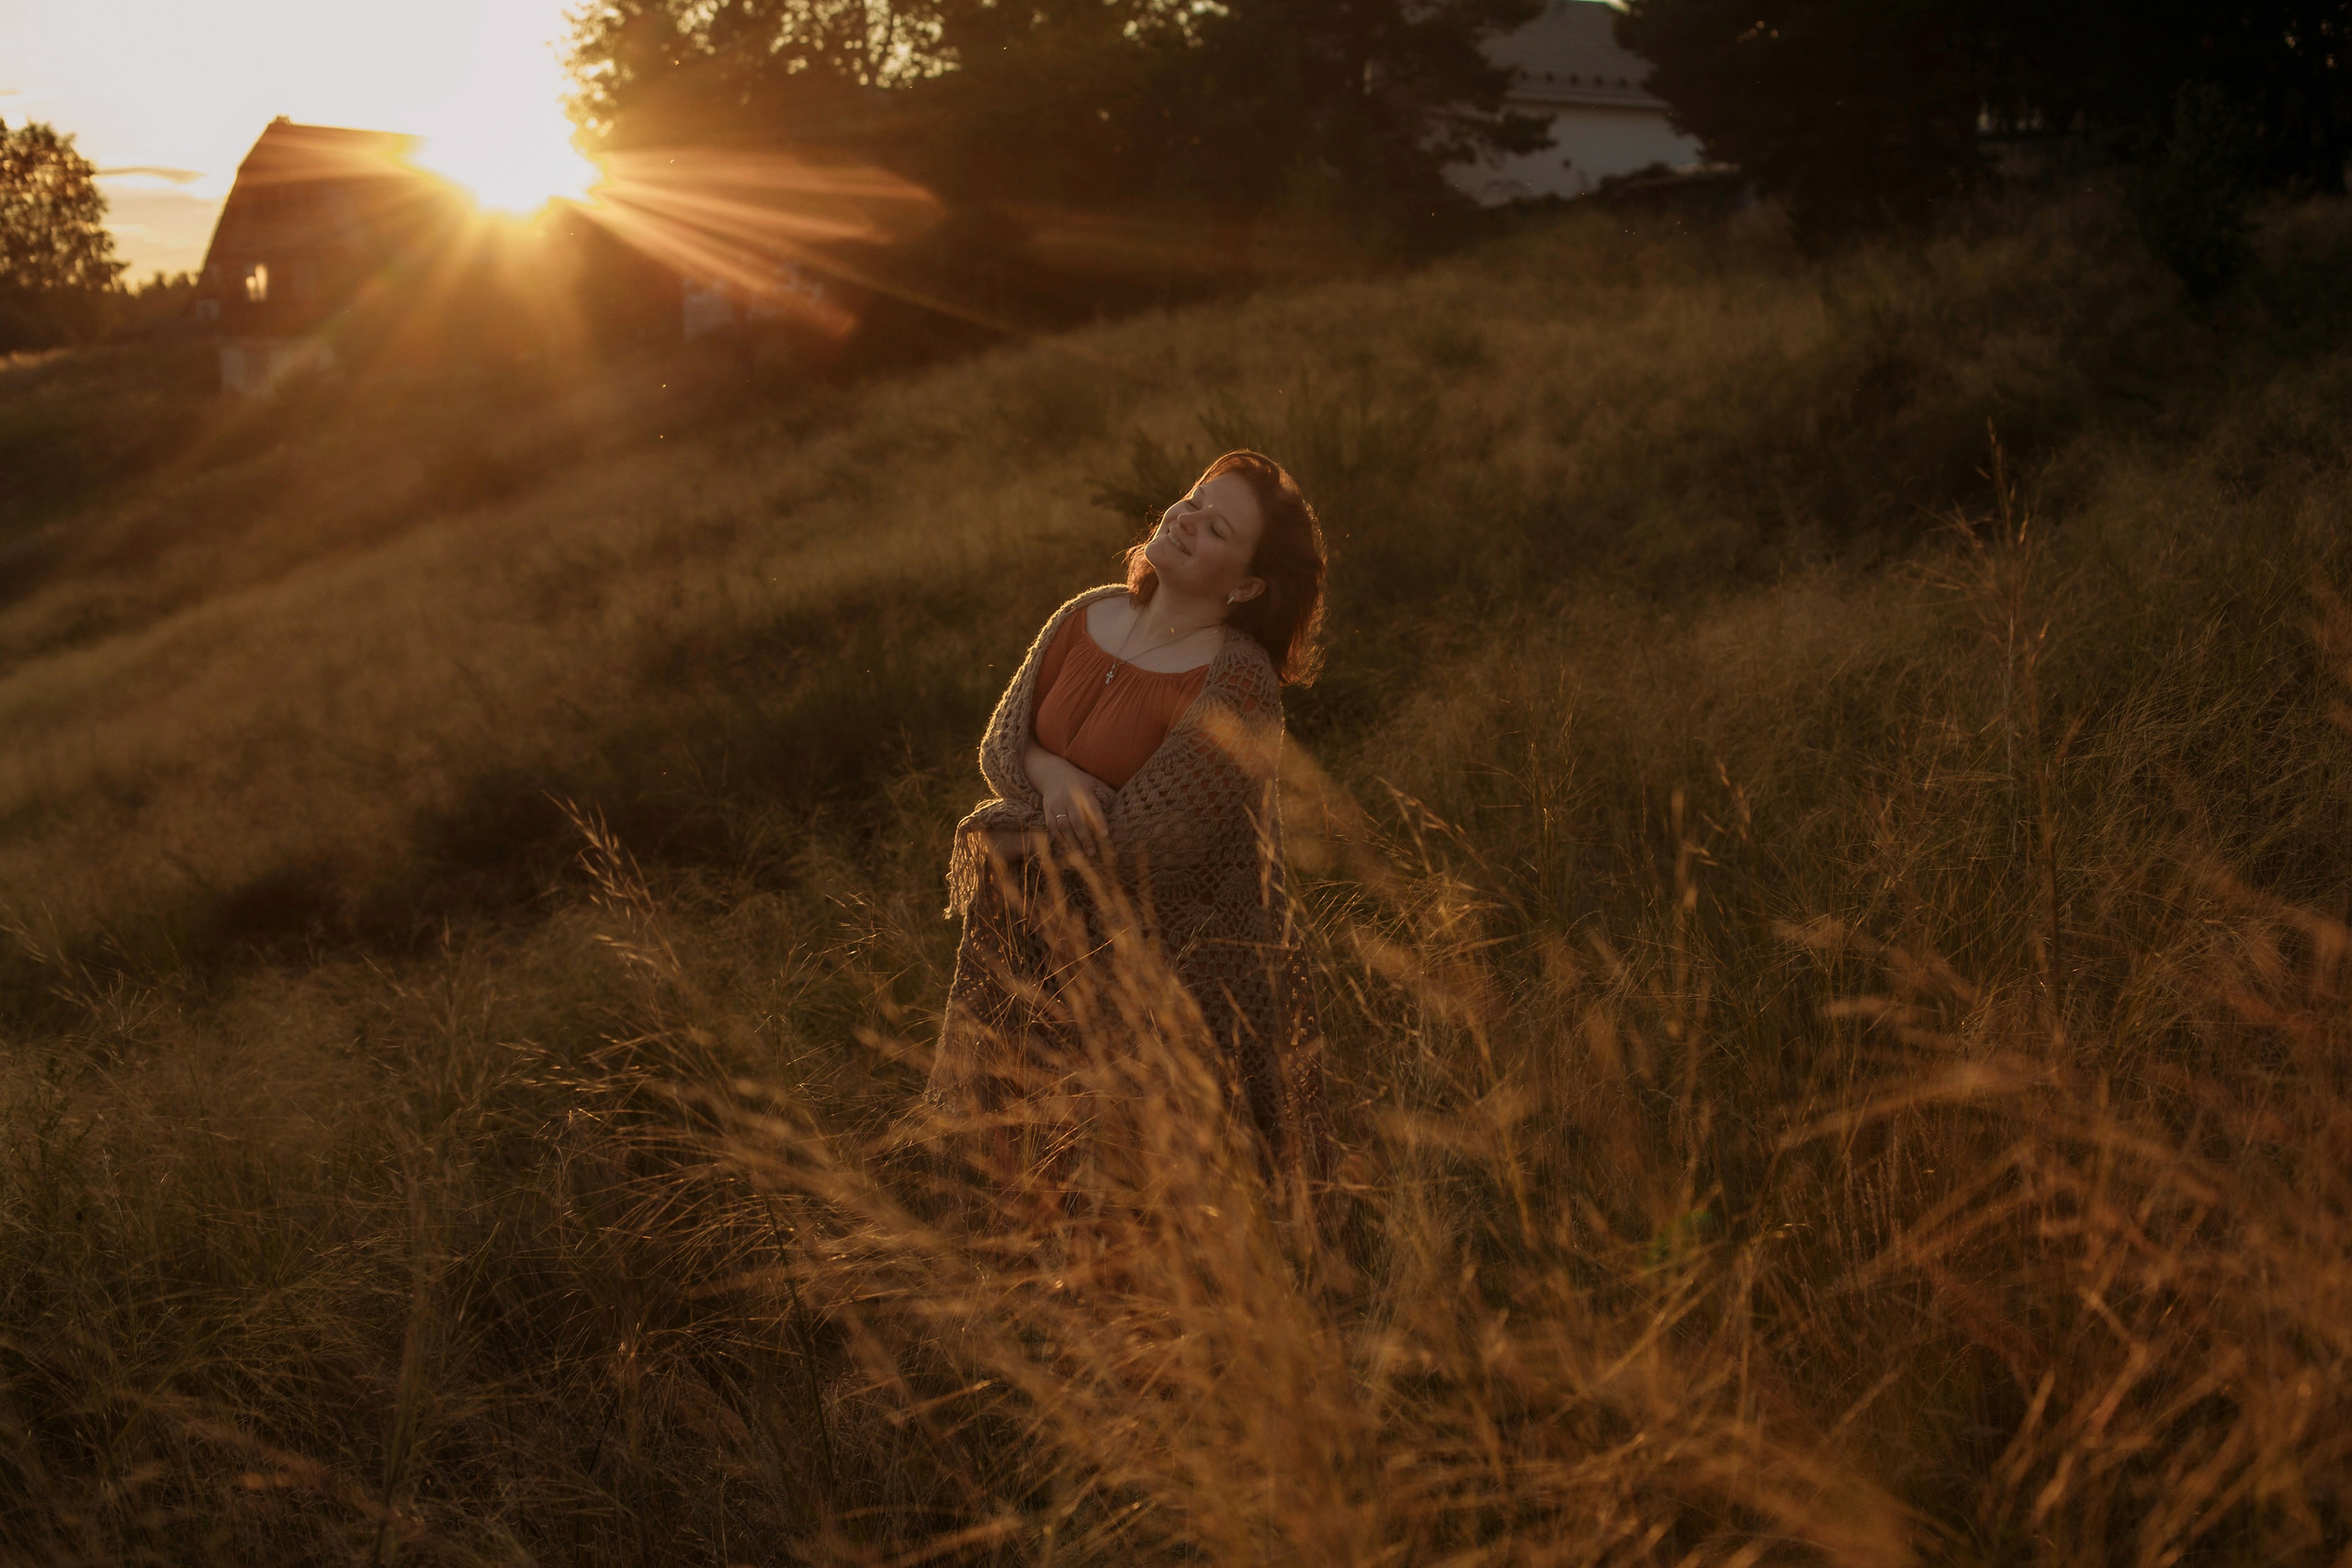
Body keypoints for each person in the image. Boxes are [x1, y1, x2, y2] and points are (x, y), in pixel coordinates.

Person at [928, 449, 1330, 1189]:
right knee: (1010, 1179)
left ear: (1245, 584)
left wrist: (1026, 808)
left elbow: (1141, 846)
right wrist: (1056, 778)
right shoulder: (1085, 613)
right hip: (1031, 952)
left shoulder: (1236, 683)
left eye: (1216, 527)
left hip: (1156, 978)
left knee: (1125, 1202)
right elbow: (1001, 749)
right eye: (1192, 500)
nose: (1185, 520)